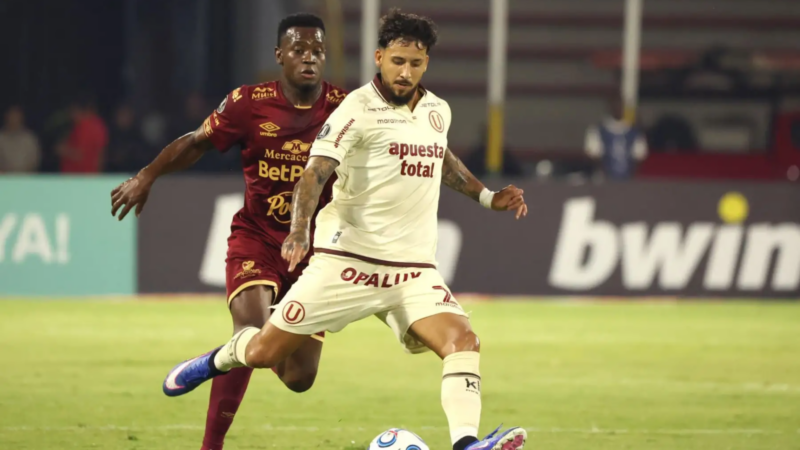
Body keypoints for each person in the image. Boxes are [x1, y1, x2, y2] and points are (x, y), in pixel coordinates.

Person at [162, 9, 529, 450]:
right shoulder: (355, 108)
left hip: (412, 270)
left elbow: (442, 158)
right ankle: (214, 361)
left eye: (415, 63)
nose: (405, 72)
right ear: (379, 57)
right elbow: (315, 172)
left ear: (426, 63)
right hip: (347, 264)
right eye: (397, 61)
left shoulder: (437, 110)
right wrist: (299, 229)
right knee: (263, 353)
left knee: (463, 340)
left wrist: (487, 197)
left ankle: (466, 444)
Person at [110, 13, 346, 450]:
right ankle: (211, 445)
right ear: (279, 55)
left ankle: (226, 355)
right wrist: (147, 175)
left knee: (299, 377)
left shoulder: (346, 109)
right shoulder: (248, 103)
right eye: (298, 50)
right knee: (250, 332)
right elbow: (197, 142)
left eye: (317, 51)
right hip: (258, 238)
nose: (309, 58)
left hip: (315, 253)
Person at [584, 97, 648, 180]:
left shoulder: (634, 132)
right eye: (616, 106)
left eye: (621, 106)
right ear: (610, 108)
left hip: (629, 179)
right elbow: (593, 155)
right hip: (604, 179)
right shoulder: (598, 130)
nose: (618, 109)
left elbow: (639, 156)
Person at [58, 94, 108, 173]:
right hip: (91, 175)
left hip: (79, 176)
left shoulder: (85, 126)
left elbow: (80, 155)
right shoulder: (99, 125)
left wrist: (63, 150)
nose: (71, 115)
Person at [0, 105, 41, 173]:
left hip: (26, 176)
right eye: (12, 116)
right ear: (6, 117)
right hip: (4, 177)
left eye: (17, 116)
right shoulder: (1, 138)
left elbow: (34, 160)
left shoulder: (29, 138)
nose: (14, 119)